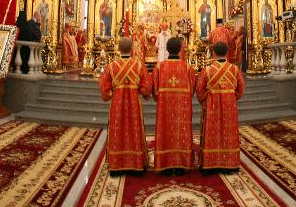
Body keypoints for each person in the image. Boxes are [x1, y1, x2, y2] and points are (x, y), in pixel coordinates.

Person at [99, 37, 151, 174]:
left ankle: (116, 166)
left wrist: (111, 93)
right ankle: (136, 164)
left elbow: (104, 87)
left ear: (118, 49)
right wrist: (140, 91)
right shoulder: (138, 65)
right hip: (134, 102)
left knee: (118, 128)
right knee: (134, 127)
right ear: (132, 49)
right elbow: (147, 87)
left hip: (117, 103)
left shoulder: (111, 66)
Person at [196, 42, 244, 172]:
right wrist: (233, 97)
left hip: (212, 106)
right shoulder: (234, 69)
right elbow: (241, 89)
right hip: (230, 105)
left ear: (213, 53)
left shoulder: (207, 70)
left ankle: (211, 164)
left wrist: (204, 99)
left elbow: (199, 91)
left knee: (213, 130)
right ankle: (230, 164)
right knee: (228, 131)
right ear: (227, 53)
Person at [152, 37, 195, 174]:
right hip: (182, 109)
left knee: (165, 132)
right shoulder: (188, 68)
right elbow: (192, 89)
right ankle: (181, 164)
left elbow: (154, 90)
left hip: (164, 109)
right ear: (180, 49)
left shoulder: (160, 67)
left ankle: (165, 164)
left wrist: (160, 98)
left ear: (167, 49)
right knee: (181, 132)